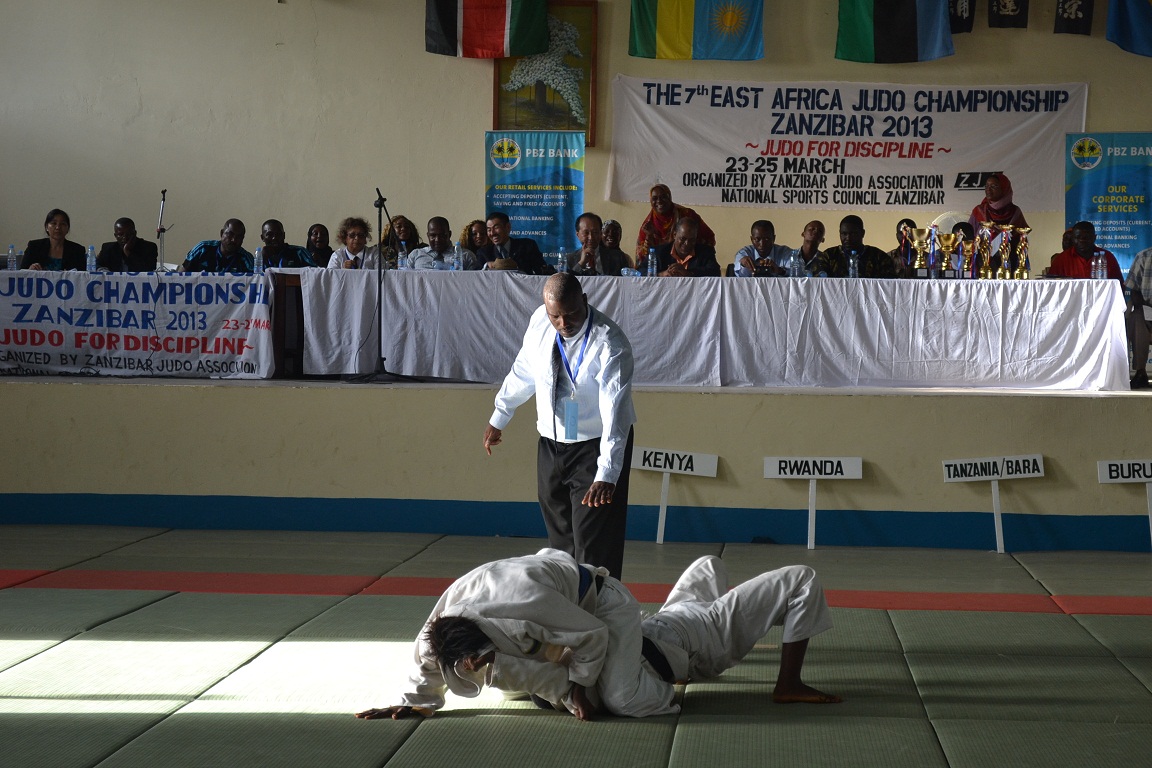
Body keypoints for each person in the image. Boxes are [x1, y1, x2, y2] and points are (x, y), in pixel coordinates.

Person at [353, 549, 839, 722]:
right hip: (660, 633)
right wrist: (414, 702)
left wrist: (580, 694)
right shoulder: (438, 630)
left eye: (482, 663)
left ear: (485, 639)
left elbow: (590, 638)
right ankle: (704, 573)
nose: (483, 672)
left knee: (800, 578)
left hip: (687, 637)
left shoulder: (520, 605)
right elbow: (426, 666)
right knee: (693, 592)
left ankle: (788, 683)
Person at [483, 273, 634, 578]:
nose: (564, 323)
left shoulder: (610, 343)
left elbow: (616, 415)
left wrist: (607, 473)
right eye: (556, 315)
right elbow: (524, 370)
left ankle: (603, 616)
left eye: (571, 313)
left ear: (585, 300)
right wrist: (500, 416)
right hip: (551, 446)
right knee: (560, 546)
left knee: (594, 548)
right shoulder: (541, 321)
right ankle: (567, 614)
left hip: (594, 448)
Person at [635, 183, 715, 264]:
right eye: (655, 198)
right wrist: (649, 236)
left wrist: (693, 259)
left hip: (690, 264)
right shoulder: (648, 225)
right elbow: (642, 261)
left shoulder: (687, 215)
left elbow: (708, 238)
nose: (659, 201)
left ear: (670, 197)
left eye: (663, 197)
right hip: (662, 269)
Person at [968, 173, 1028, 272]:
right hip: (982, 266)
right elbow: (969, 238)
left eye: (993, 186)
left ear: (1004, 188)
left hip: (1010, 265)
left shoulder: (1015, 212)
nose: (988, 189)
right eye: (986, 186)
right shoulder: (979, 211)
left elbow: (1022, 240)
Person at [813, 215, 897, 278]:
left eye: (853, 234)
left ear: (862, 233)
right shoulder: (829, 256)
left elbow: (889, 285)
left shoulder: (879, 257)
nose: (848, 238)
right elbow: (818, 284)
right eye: (844, 234)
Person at [476, 211, 553, 275]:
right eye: (489, 230)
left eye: (496, 228)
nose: (492, 233)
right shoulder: (484, 253)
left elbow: (541, 271)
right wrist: (486, 266)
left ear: (508, 227)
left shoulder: (527, 246)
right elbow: (477, 277)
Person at [646, 219, 721, 277]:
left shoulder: (705, 252)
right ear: (675, 235)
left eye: (691, 240)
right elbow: (641, 271)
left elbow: (715, 272)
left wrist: (688, 273)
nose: (687, 243)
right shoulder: (658, 252)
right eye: (682, 239)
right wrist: (661, 274)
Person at [1049, 221, 1122, 281]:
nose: (1081, 241)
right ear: (1073, 239)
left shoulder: (1107, 257)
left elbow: (1118, 287)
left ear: (1094, 238)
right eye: (1077, 237)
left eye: (1086, 237)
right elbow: (1051, 287)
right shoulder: (1061, 259)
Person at [564, 212, 629, 276]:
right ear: (578, 235)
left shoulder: (618, 257)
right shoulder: (569, 260)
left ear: (600, 233)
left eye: (595, 232)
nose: (591, 237)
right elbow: (565, 283)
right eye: (586, 233)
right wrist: (581, 263)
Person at [180, 219, 253, 273]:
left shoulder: (246, 259)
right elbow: (180, 277)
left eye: (239, 237)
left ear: (243, 239)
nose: (233, 240)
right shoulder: (202, 248)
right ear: (221, 234)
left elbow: (256, 284)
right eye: (230, 234)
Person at [409, 216, 479, 270]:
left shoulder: (466, 256)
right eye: (433, 236)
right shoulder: (415, 255)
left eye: (442, 235)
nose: (437, 239)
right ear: (428, 235)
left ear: (449, 234)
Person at [1126, 246, 1152, 390]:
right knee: (1137, 317)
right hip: (1149, 310)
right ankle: (1140, 372)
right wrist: (1143, 307)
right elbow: (1134, 290)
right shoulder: (1144, 256)